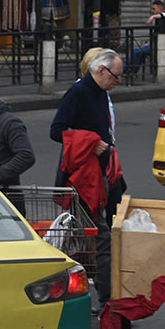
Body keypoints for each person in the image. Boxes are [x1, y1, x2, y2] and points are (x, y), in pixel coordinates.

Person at [49, 48, 124, 308]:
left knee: (92, 236)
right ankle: (104, 299)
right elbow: (57, 131)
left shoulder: (101, 92)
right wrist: (91, 143)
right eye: (115, 76)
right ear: (101, 70)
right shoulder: (78, 92)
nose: (117, 82)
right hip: (80, 179)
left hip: (100, 175)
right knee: (98, 236)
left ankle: (94, 294)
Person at [124, 0, 165, 76]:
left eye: (154, 9)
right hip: (154, 44)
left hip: (159, 46)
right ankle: (132, 71)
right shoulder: (159, 19)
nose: (152, 11)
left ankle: (124, 69)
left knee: (136, 50)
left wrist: (152, 17)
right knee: (140, 53)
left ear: (161, 9)